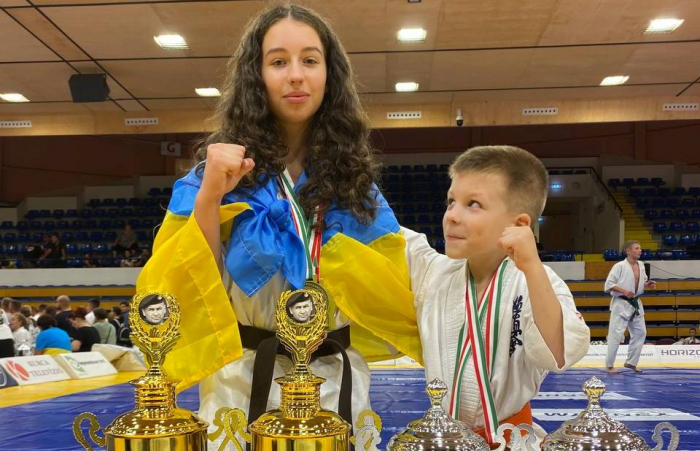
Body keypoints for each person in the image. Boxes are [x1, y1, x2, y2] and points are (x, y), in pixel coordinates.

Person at [136, 5, 409, 447]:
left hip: (335, 376)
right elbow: (191, 280)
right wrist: (210, 195)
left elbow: (393, 280)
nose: (295, 75)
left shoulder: (356, 183)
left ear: (329, 75)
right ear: (257, 75)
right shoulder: (214, 174)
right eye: (279, 61)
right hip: (242, 381)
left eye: (310, 60)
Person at [334, 146, 591, 445]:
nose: (452, 216)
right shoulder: (432, 273)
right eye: (451, 201)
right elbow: (382, 229)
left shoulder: (535, 281)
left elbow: (559, 352)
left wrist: (532, 267)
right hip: (443, 438)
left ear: (519, 224)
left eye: (473, 204)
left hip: (512, 440)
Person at [604, 240, 655, 373]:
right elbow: (609, 285)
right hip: (621, 303)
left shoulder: (642, 265)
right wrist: (624, 291)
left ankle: (631, 362)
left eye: (640, 248)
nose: (640, 250)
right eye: (637, 248)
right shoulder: (619, 266)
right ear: (628, 251)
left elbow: (639, 283)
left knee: (640, 332)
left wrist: (646, 284)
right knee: (616, 335)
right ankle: (609, 365)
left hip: (635, 303)